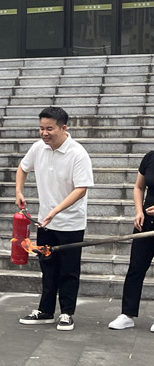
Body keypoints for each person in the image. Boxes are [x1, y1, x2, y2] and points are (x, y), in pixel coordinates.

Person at [16, 106, 94, 331]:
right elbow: (22, 168)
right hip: (45, 222)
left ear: (63, 128)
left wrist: (56, 210)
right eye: (41, 128)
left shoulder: (77, 153)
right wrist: (19, 191)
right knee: (47, 268)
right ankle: (46, 311)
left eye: (49, 129)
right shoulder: (38, 148)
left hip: (70, 223)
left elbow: (81, 189)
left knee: (69, 270)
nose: (44, 133)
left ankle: (67, 313)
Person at [108, 151, 154, 331]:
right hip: (146, 224)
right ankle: (127, 314)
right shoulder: (150, 157)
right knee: (136, 267)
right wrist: (139, 211)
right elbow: (139, 187)